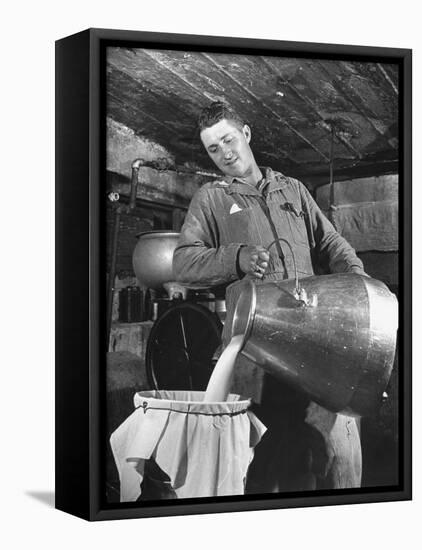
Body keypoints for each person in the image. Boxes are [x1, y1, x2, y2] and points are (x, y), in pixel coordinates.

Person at [173, 101, 366, 493]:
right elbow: (183, 263)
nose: (225, 152)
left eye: (228, 139)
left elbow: (331, 242)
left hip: (315, 343)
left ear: (246, 134)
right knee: (261, 462)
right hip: (255, 354)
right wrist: (236, 257)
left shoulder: (292, 189)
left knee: (336, 451)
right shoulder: (211, 198)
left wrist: (359, 281)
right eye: (213, 148)